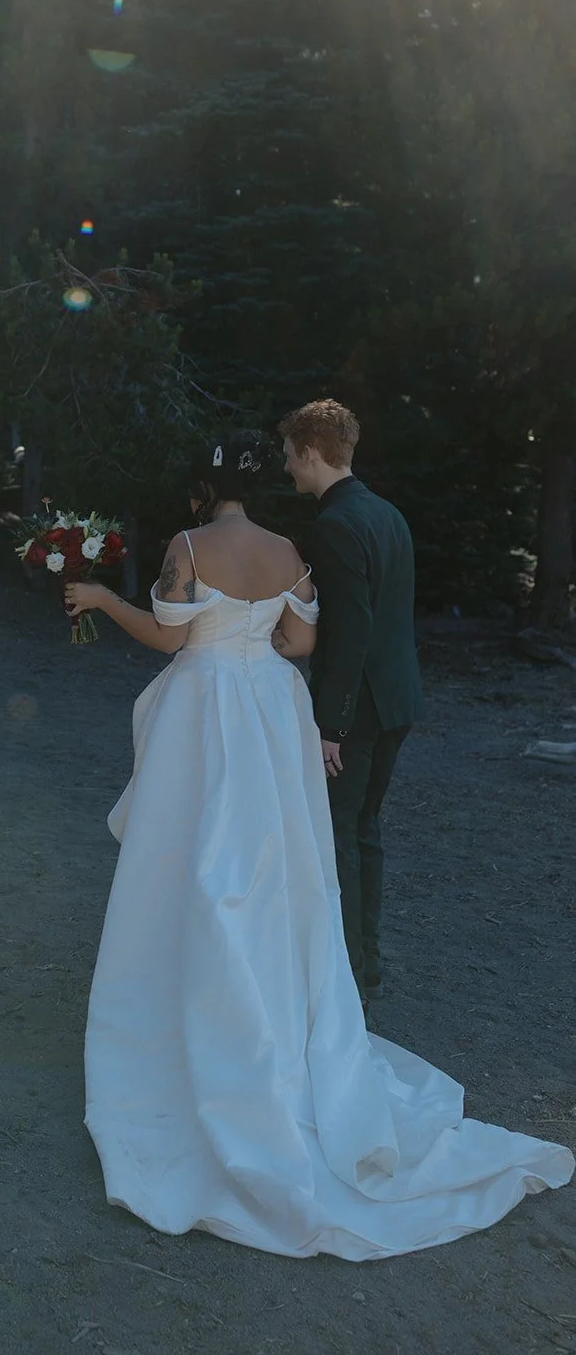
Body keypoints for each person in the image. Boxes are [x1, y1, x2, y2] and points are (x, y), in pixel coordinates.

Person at [63, 429, 572, 1261]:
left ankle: (183, 994)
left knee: (190, 859)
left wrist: (98, 599)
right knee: (274, 866)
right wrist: (252, 640)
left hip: (206, 709)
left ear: (202, 490)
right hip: (268, 711)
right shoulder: (289, 547)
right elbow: (299, 643)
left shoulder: (186, 545)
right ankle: (270, 999)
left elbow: (167, 638)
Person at [278, 400, 423, 1005]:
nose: (288, 469)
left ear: (312, 453)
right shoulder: (387, 514)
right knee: (365, 830)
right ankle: (367, 960)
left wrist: (329, 725)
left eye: (290, 457)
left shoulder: (334, 526)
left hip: (357, 710)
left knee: (339, 833)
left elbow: (352, 633)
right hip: (398, 700)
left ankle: (349, 970)